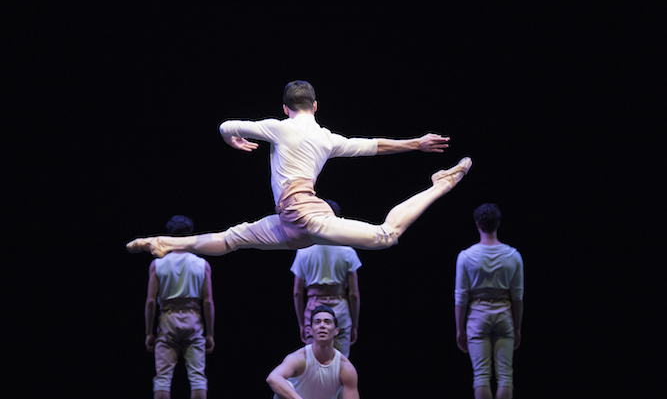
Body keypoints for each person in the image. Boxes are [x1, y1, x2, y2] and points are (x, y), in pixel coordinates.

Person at [126, 80, 472, 258]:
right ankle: (164, 243)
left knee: (229, 241)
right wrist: (416, 143)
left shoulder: (278, 127)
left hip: (300, 219)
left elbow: (226, 124)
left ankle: (440, 183)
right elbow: (374, 145)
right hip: (295, 222)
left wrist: (232, 139)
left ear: (285, 107)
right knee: (387, 237)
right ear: (316, 106)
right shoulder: (326, 138)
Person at [454, 203, 524, 399]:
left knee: (481, 375)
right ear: (498, 223)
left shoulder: (466, 256)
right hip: (504, 312)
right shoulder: (513, 255)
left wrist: (459, 328)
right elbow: (518, 296)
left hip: (478, 314)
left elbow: (461, 296)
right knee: (505, 375)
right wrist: (517, 326)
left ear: (477, 224)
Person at [142, 215, 215, 399]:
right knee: (197, 377)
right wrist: (210, 332)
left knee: (162, 378)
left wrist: (149, 332)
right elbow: (207, 301)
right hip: (193, 319)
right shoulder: (201, 264)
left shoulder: (158, 264)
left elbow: (151, 301)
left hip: (168, 319)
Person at [260, 305, 370, 399]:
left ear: (336, 331)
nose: (322, 326)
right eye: (317, 322)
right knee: (284, 387)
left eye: (327, 322)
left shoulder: (345, 367)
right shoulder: (300, 358)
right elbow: (273, 378)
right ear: (310, 331)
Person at [291, 200, 361, 358]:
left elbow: (297, 292)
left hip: (314, 312)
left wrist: (302, 324)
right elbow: (353, 294)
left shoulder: (304, 250)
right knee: (340, 367)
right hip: (340, 311)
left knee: (314, 367)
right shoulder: (347, 250)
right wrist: (355, 325)